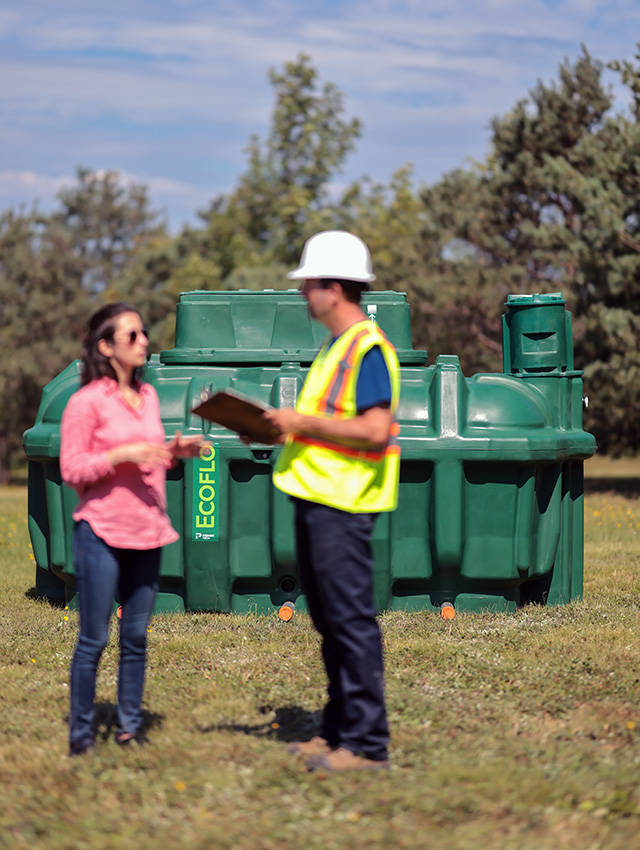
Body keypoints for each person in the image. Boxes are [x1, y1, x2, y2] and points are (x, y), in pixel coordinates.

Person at [264, 231, 401, 772]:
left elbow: (372, 429)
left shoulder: (367, 349)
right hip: (318, 499)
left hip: (344, 506)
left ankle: (367, 747)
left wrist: (299, 421)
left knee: (350, 622)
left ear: (335, 288)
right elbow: (329, 426)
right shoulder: (337, 348)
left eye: (310, 284)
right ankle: (340, 730)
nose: (303, 294)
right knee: (330, 621)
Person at [60, 302, 209, 756]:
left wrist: (173, 450)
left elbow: (148, 454)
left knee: (137, 637)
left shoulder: (147, 399)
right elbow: (73, 468)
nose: (144, 340)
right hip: (102, 533)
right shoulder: (85, 402)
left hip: (148, 532)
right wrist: (121, 456)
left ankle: (129, 728)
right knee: (95, 639)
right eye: (132, 335)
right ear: (105, 347)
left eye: (144, 332)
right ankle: (81, 736)